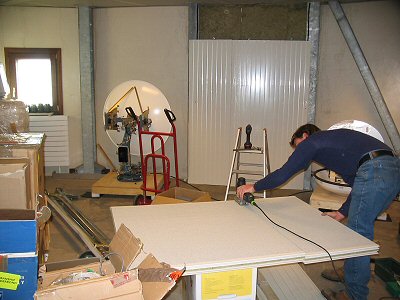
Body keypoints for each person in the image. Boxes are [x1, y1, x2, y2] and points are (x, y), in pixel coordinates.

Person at [236, 123, 400, 300]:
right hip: (392, 170)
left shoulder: (313, 142)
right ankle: (350, 272)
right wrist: (342, 212)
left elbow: (285, 172)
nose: (300, 153)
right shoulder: (337, 145)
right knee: (358, 232)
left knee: (359, 236)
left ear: (305, 136)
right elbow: (357, 183)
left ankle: (355, 295)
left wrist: (254, 186)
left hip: (376, 170)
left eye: (298, 146)